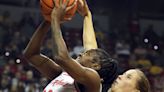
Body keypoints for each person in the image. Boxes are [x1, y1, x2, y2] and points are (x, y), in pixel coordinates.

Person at [23, 0, 118, 92]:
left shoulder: (93, 81)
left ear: (96, 66)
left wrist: (55, 19)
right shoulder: (63, 73)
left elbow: (61, 58)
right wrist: (87, 15)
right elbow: (31, 55)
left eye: (86, 54)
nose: (80, 54)